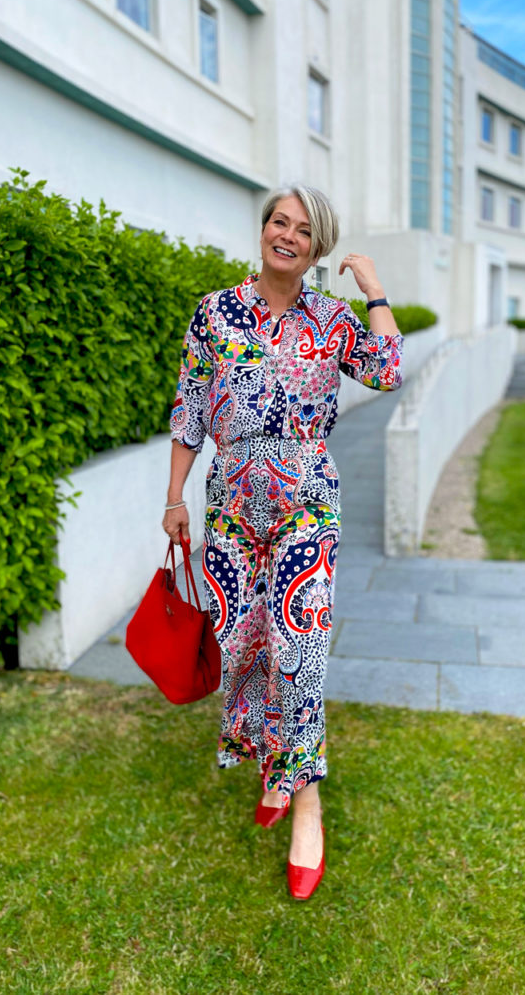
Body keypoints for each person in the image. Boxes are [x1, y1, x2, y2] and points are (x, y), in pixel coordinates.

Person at [163, 185, 403, 899]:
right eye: (279, 222)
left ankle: (305, 803)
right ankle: (277, 768)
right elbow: (190, 405)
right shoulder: (214, 312)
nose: (287, 236)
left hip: (306, 507)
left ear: (317, 246)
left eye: (302, 230)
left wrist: (377, 292)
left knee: (298, 656)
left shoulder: (332, 318)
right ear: (264, 229)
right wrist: (174, 497)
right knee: (247, 648)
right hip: (232, 509)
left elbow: (387, 373)